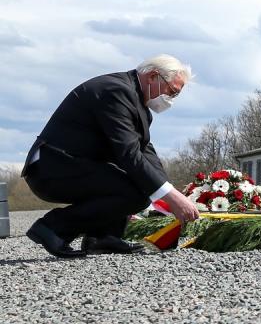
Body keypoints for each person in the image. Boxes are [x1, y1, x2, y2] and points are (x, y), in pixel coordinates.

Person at [22, 55, 201, 258]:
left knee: (142, 184)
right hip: (52, 168)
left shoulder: (138, 104)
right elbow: (129, 154)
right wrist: (169, 196)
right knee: (136, 191)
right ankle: (52, 227)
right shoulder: (117, 92)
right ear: (153, 76)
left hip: (73, 165)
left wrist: (172, 194)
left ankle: (102, 237)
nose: (170, 99)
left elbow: (145, 153)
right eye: (172, 92)